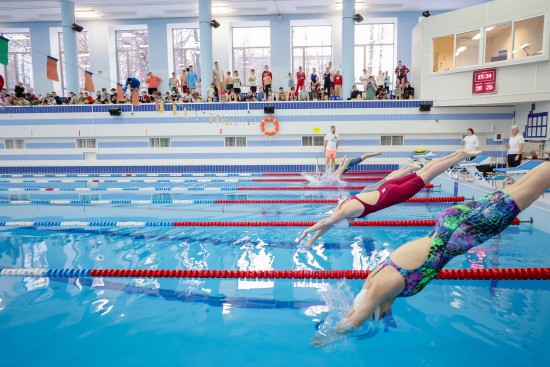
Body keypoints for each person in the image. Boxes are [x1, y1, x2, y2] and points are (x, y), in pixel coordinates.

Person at [312, 162, 550, 347]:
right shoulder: (375, 284)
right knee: (518, 189)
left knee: (530, 188)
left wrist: (326, 339)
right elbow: (357, 309)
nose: (387, 315)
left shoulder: (384, 286)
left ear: (377, 307)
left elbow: (353, 321)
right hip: (452, 225)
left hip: (461, 231)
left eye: (381, 315)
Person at [297, 149, 482, 247]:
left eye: (350, 223)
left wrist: (306, 232)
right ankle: (456, 153)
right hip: (386, 186)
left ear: (346, 220)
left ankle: (459, 157)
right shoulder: (342, 205)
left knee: (429, 174)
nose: (353, 223)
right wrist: (311, 240)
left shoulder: (346, 212)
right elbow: (327, 223)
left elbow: (326, 223)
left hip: (394, 194)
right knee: (424, 169)